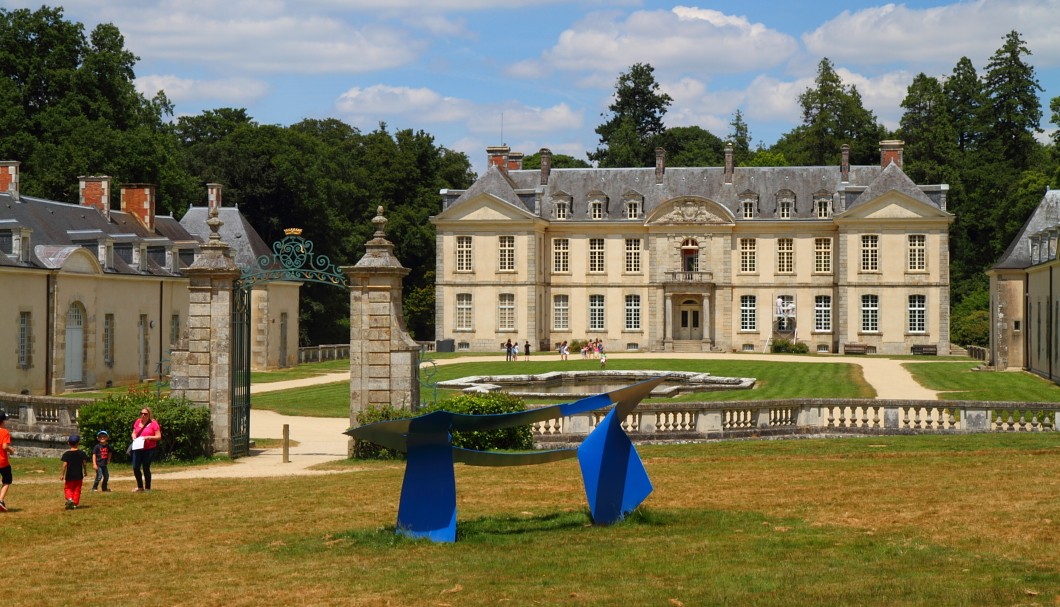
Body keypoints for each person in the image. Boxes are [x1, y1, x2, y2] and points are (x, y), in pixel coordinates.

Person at [131, 407, 162, 492]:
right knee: (135, 467)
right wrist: (133, 435)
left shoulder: (154, 423)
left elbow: (159, 436)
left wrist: (149, 437)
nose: (143, 415)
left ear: (149, 415)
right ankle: (140, 487)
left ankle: (148, 488)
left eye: (145, 414)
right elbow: (134, 431)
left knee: (146, 467)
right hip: (137, 448)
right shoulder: (137, 422)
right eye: (142, 413)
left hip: (148, 449)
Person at [60, 434, 89, 510]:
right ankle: (75, 503)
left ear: (68, 443)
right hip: (79, 475)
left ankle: (69, 499)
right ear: (78, 443)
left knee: (68, 488)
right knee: (77, 489)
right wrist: (85, 471)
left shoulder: (67, 454)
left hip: (70, 475)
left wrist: (62, 474)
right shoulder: (82, 453)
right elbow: (84, 463)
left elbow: (64, 465)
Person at [0, 411, 13, 512]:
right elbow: (4, 446)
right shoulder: (4, 432)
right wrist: (11, 450)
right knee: (7, 481)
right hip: (2, 462)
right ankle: (0, 500)